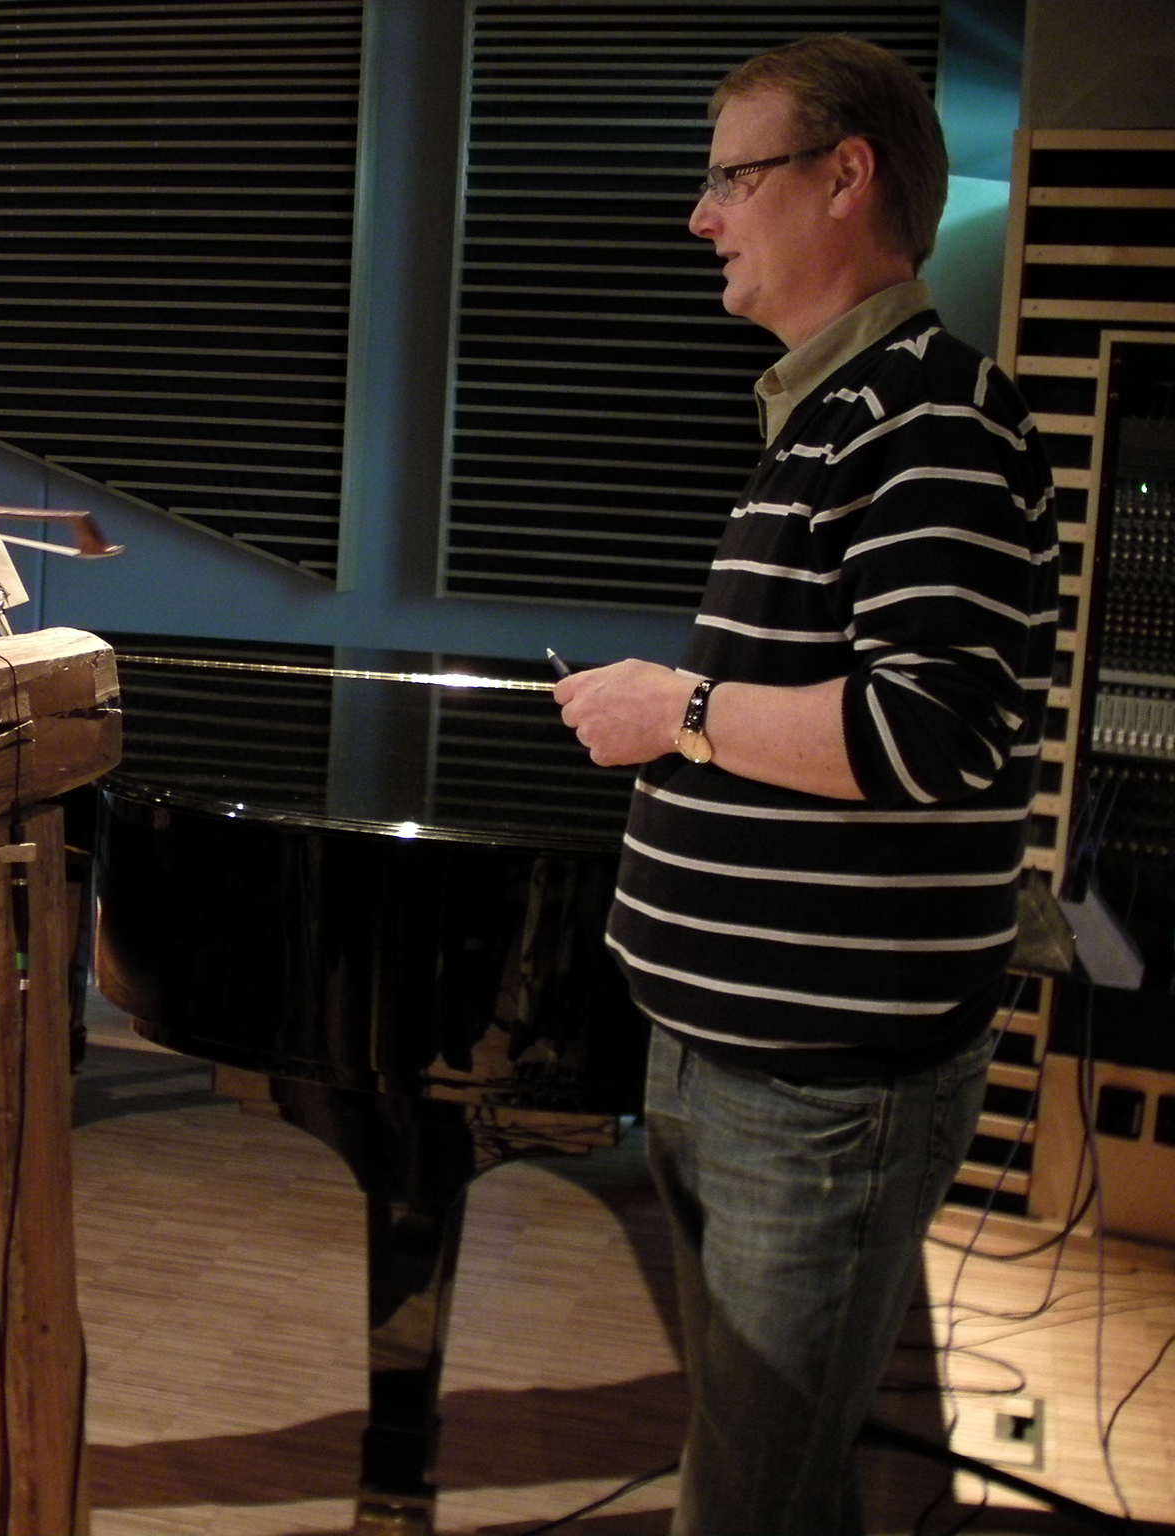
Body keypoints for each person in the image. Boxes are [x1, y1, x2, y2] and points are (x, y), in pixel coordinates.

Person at [552, 36, 1057, 1536]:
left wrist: (679, 709)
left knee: (746, 1500)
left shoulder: (932, 421)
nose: (701, 215)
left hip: (821, 1089)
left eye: (733, 177)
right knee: (784, 1477)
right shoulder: (833, 415)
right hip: (731, 1063)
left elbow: (930, 733)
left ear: (847, 177)